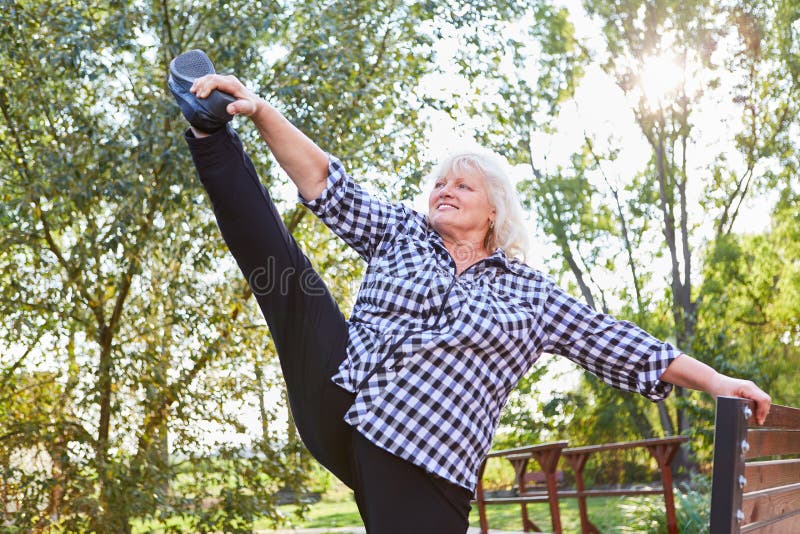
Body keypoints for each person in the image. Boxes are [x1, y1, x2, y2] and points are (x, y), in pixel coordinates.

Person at [173, 67, 771, 533]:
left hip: (427, 461)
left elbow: (619, 343)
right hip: (346, 397)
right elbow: (324, 181)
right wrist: (260, 111)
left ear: (494, 212)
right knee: (291, 284)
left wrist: (717, 380)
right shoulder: (401, 232)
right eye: (440, 182)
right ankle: (209, 132)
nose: (445, 190)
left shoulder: (530, 295)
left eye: (464, 184)